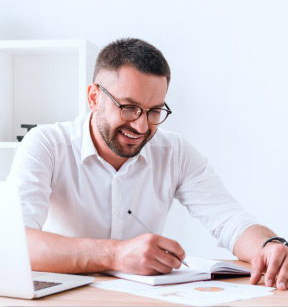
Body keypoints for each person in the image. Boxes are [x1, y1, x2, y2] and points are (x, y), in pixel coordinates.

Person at [8, 38, 288, 289]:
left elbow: (231, 223)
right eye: (128, 108)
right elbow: (15, 244)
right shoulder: (45, 144)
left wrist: (271, 246)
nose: (141, 126)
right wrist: (116, 255)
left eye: (154, 111)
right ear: (94, 97)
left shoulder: (174, 151)